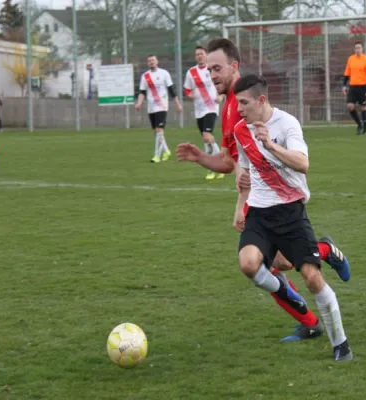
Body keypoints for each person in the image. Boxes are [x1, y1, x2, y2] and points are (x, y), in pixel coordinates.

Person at [177, 38, 351, 342]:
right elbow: (234, 163)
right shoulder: (231, 107)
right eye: (208, 70)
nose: (212, 75)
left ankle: (312, 309)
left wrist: (240, 204)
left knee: (268, 264)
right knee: (277, 263)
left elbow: (243, 164)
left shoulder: (241, 105)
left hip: (273, 197)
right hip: (258, 197)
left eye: (216, 68)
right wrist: (201, 158)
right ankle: (317, 281)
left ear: (234, 66)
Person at [233, 74, 353, 361]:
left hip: (290, 212)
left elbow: (303, 164)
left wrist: (271, 145)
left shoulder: (287, 124)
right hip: (259, 213)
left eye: (244, 103)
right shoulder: (240, 130)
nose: (239, 109)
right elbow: (245, 172)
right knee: (250, 265)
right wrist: (240, 206)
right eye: (237, 103)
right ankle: (293, 297)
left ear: (261, 101)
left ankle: (341, 345)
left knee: (311, 277)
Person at [184, 45, 224, 180]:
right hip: (199, 110)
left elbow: (223, 84)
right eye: (197, 54)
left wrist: (221, 96)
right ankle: (213, 168)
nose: (199, 56)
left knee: (207, 136)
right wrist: (190, 95)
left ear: (206, 55)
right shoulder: (191, 73)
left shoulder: (212, 69)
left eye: (201, 54)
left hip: (211, 107)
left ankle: (220, 164)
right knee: (206, 140)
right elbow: (187, 90)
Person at [135, 55, 183, 163]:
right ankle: (166, 151)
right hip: (151, 107)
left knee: (159, 130)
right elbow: (142, 92)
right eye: (149, 61)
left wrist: (178, 104)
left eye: (153, 60)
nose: (151, 62)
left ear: (157, 61)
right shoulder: (145, 76)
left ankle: (156, 155)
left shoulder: (164, 73)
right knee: (156, 132)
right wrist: (139, 103)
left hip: (162, 106)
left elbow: (172, 90)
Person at [342, 41, 366, 135]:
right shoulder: (351, 59)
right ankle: (359, 124)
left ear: (362, 49)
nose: (357, 50)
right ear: (354, 49)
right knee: (350, 106)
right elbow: (347, 74)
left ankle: (365, 129)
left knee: (362, 107)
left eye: (359, 48)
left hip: (363, 86)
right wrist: (344, 86)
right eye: (356, 48)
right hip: (352, 86)